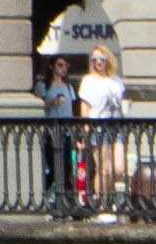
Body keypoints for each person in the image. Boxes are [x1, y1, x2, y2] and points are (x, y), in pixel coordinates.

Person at [79, 48, 129, 218]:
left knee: (119, 168)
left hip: (116, 126)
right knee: (104, 169)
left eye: (101, 58)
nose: (98, 62)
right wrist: (86, 130)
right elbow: (85, 107)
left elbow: (123, 100)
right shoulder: (88, 81)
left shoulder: (116, 80)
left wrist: (127, 103)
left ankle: (108, 197)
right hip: (98, 127)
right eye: (94, 59)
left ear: (108, 59)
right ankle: (102, 205)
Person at [39, 50, 84, 217]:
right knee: (52, 166)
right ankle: (48, 197)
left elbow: (73, 109)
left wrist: (76, 133)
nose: (63, 69)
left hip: (66, 133)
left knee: (65, 167)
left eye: (65, 66)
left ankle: (63, 202)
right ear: (52, 67)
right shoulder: (44, 86)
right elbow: (40, 105)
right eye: (60, 65)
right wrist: (52, 101)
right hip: (50, 132)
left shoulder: (69, 87)